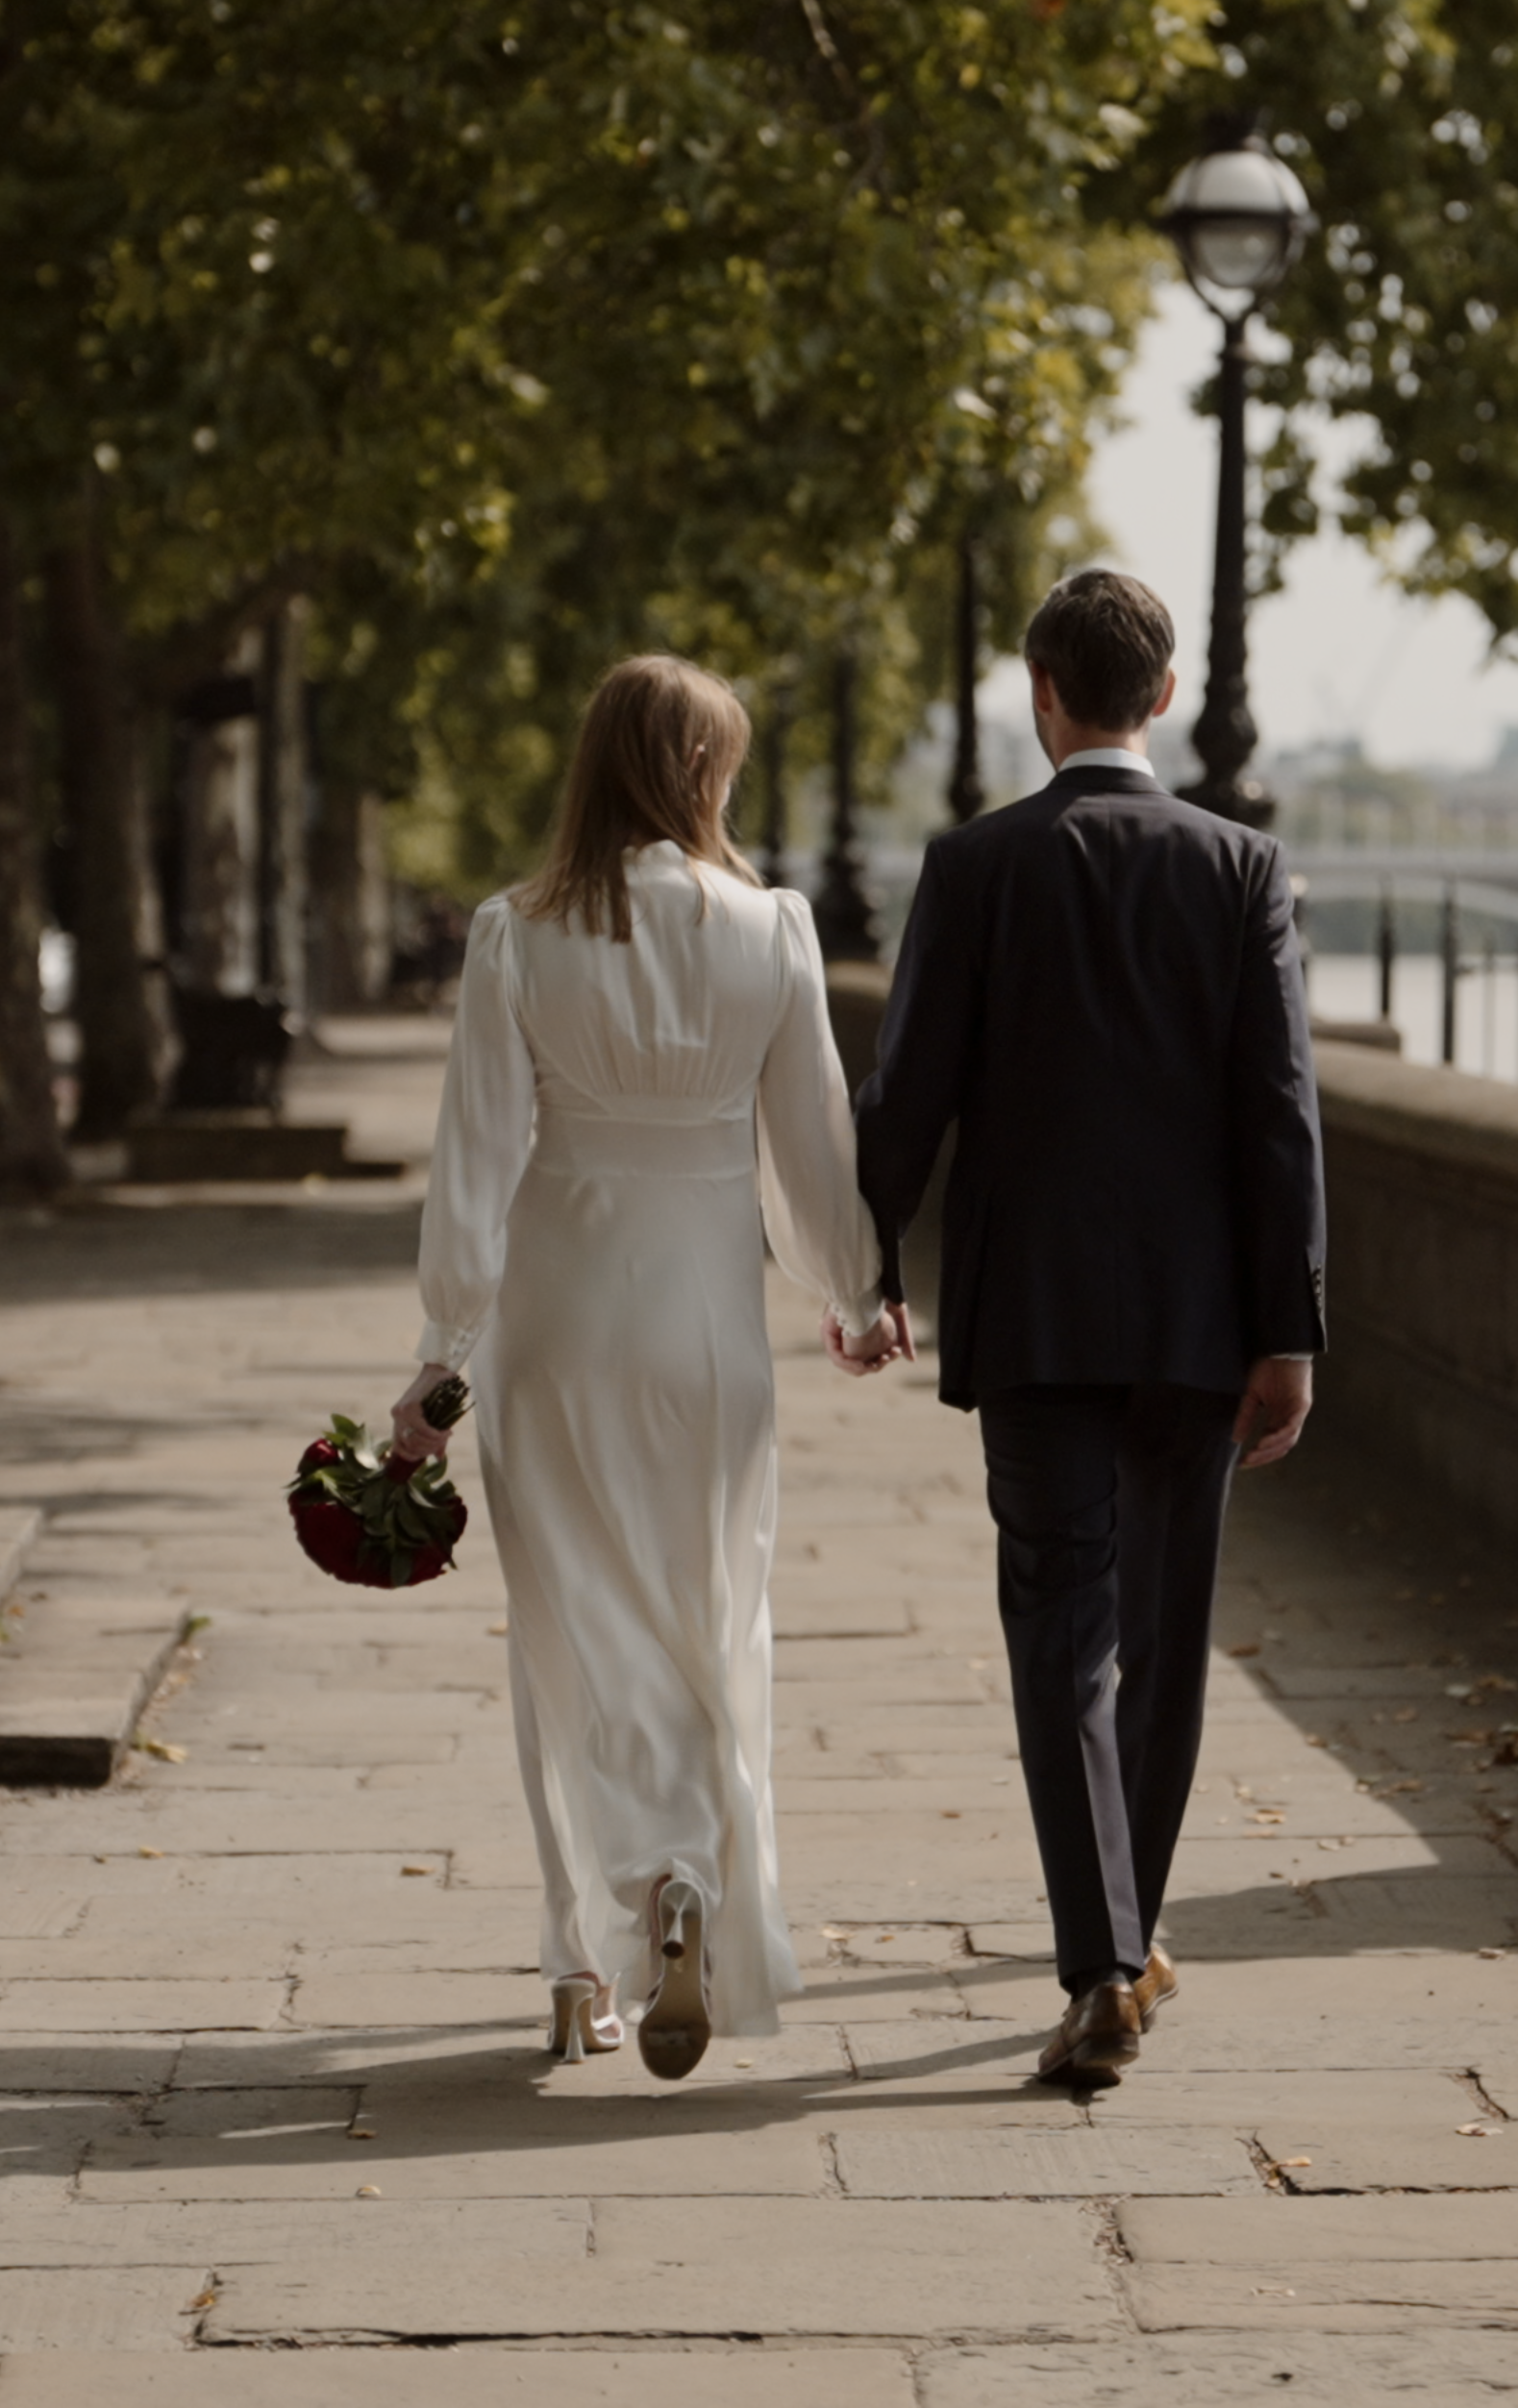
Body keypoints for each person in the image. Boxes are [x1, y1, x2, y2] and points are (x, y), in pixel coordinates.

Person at [851, 568, 1328, 2092]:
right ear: (1166, 697)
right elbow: (1279, 1115)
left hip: (1037, 1311)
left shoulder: (975, 864)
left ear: (1041, 694)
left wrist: (869, 1264)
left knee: (1062, 1633)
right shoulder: (1241, 865)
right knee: (1165, 1642)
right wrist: (1290, 1331)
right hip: (1198, 1319)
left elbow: (909, 1097)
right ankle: (1129, 1939)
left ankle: (1102, 1962)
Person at [397, 657, 900, 2081]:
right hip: (708, 1330)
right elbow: (812, 1149)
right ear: (697, 774)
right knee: (710, 1618)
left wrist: (439, 1359)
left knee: (565, 1636)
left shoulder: (516, 936)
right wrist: (856, 1293)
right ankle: (690, 1881)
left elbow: (476, 1165)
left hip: (556, 1326)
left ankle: (584, 1957)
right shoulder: (771, 928)